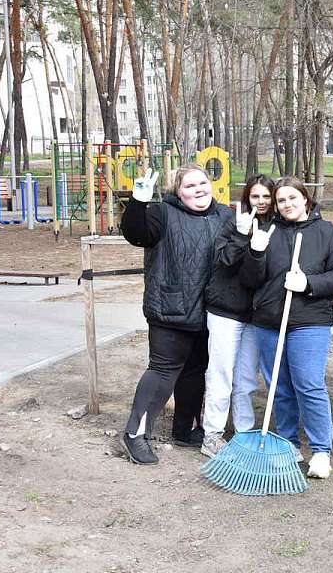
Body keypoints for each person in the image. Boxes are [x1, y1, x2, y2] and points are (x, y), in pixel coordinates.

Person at [119, 164, 232, 466]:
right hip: (170, 308)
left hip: (209, 311)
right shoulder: (162, 214)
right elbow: (136, 233)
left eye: (202, 183)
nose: (198, 189)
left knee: (194, 373)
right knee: (163, 372)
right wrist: (138, 202)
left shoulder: (226, 216)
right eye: (189, 186)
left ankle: (185, 429)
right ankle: (135, 434)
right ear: (177, 192)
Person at [239, 177, 333, 479]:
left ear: (305, 199)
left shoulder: (325, 232)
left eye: (292, 198)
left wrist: (308, 284)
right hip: (269, 322)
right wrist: (256, 253)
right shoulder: (267, 232)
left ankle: (321, 451)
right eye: (281, 200)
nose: (287, 204)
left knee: (309, 384)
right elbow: (249, 280)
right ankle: (288, 445)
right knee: (280, 388)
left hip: (310, 321)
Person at [200, 175, 276, 458]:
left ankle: (244, 431)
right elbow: (223, 261)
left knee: (246, 378)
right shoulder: (232, 223)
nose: (261, 202)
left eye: (266, 197)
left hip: (256, 315)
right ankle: (213, 433)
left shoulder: (276, 228)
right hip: (226, 311)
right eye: (255, 196)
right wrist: (242, 236)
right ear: (247, 198)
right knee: (221, 373)